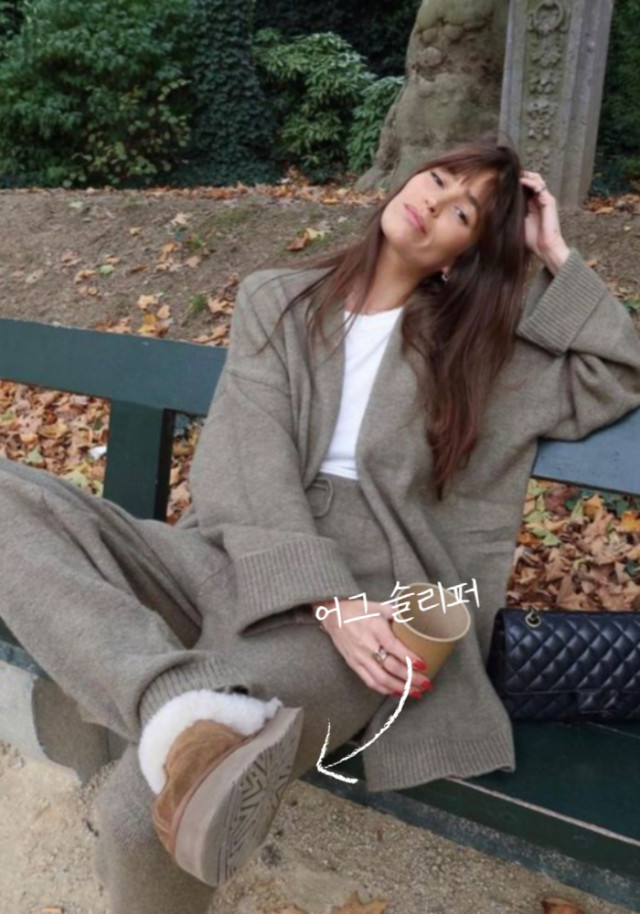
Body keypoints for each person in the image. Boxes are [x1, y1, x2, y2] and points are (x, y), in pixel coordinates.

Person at [2, 131, 640, 913]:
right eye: (439, 179)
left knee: (143, 813)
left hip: (380, 605)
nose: (434, 202)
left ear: (461, 256)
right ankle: (179, 704)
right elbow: (247, 458)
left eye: (463, 212)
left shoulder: (475, 356)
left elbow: (616, 369)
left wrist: (553, 251)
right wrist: (323, 595)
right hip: (233, 551)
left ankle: (179, 716)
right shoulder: (277, 298)